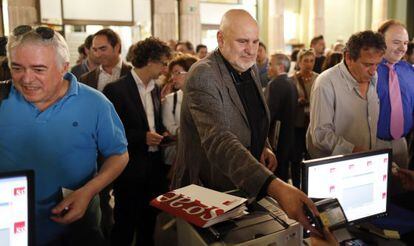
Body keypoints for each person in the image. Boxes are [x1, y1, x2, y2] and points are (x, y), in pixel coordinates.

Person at [171, 9, 318, 232]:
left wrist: (263, 145)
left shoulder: (246, 67)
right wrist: (275, 186)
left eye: (255, 42)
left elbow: (253, 114)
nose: (251, 50)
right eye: (242, 42)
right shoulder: (203, 74)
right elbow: (219, 141)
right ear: (221, 39)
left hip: (241, 185)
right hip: (209, 188)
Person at [0, 25, 128, 245]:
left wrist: (89, 191)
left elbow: (119, 154)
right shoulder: (2, 98)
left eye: (39, 69)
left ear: (64, 67)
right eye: (17, 68)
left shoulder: (95, 103)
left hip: (77, 228)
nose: (26, 79)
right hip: (11, 229)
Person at [103, 37, 172, 246]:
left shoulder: (156, 89)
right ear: (150, 60)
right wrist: (142, 137)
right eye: (163, 63)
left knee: (148, 223)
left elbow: (153, 123)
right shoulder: (116, 89)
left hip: (153, 166)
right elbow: (112, 132)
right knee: (125, 224)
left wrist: (163, 133)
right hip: (129, 167)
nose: (165, 69)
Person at [307, 30, 386, 158]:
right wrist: (354, 151)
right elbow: (320, 135)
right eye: (367, 64)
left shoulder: (374, 76)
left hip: (366, 162)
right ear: (348, 58)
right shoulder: (325, 83)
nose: (373, 71)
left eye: (377, 64)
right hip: (334, 167)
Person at [376, 20, 414, 169]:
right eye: (396, 42)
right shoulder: (368, 71)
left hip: (402, 144)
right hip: (373, 144)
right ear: (380, 41)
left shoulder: (409, 71)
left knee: (402, 190)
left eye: (405, 43)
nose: (402, 48)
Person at [265, 53, 298, 186]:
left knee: (276, 174)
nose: (268, 67)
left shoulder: (275, 84)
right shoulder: (291, 83)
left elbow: (269, 114)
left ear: (280, 66)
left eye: (270, 64)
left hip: (277, 137)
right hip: (289, 134)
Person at [162, 54, 198, 166]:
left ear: (191, 72)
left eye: (177, 73)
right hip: (177, 156)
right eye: (172, 73)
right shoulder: (170, 100)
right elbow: (170, 127)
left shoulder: (205, 97)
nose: (173, 77)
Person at [291, 49, 318, 175]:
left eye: (312, 61)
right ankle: (296, 185)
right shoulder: (292, 79)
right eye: (306, 61)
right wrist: (297, 101)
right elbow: (288, 101)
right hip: (298, 122)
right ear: (299, 62)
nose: (309, 64)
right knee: (296, 156)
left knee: (311, 155)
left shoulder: (318, 78)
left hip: (313, 122)